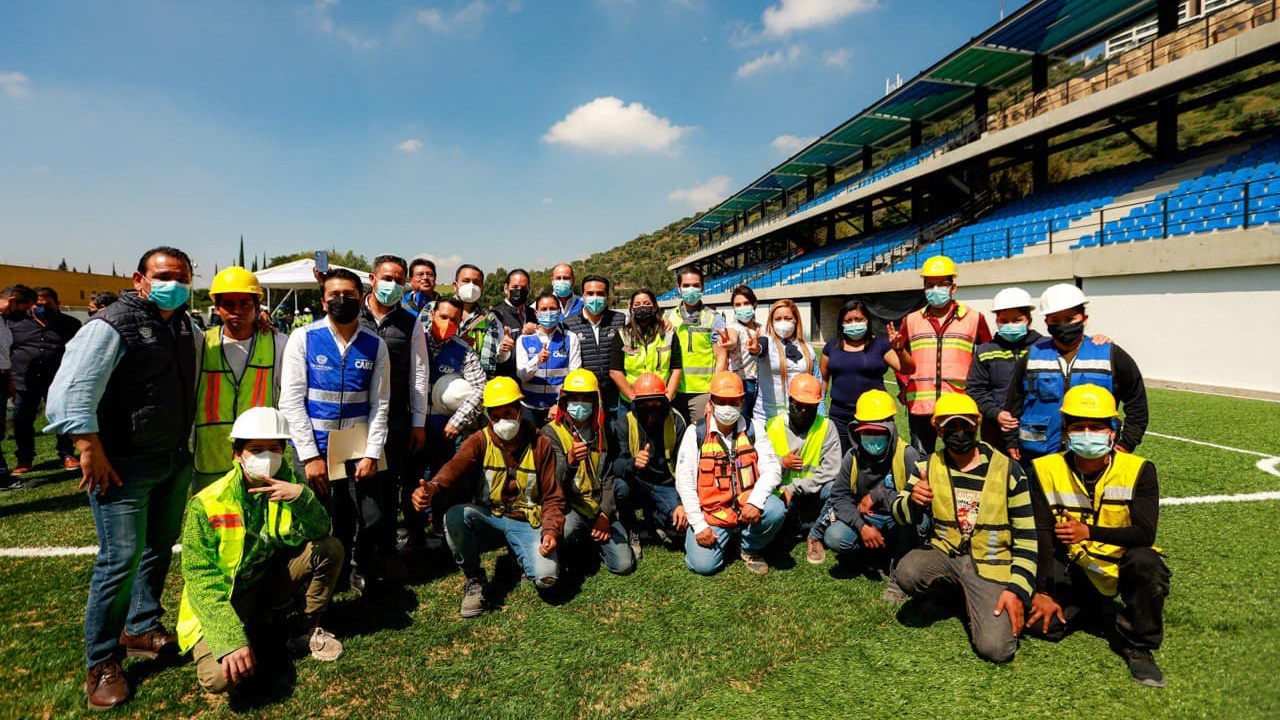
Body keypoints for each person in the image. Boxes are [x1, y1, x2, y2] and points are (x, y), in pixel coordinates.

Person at [45, 247, 197, 709]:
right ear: (140, 279)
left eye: (183, 276)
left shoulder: (185, 324)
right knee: (119, 560)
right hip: (124, 465)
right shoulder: (112, 323)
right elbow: (72, 390)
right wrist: (88, 448)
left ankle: (142, 624)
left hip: (171, 458)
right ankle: (102, 661)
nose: (174, 283)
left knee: (157, 547)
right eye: (164, 275)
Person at [178, 407, 344, 697]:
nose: (267, 457)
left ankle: (302, 629)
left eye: (274, 448)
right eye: (256, 449)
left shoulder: (290, 482)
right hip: (225, 596)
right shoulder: (206, 503)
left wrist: (302, 498)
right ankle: (251, 630)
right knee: (219, 679)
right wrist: (229, 639)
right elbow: (201, 579)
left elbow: (321, 531)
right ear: (237, 454)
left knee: (330, 548)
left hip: (267, 582)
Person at [1025, 384, 1169, 686]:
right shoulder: (1043, 469)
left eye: (1096, 426)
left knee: (1146, 563)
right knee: (1043, 628)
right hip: (1076, 565)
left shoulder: (1140, 469)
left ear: (1112, 431)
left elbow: (1144, 533)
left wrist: (1087, 531)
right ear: (1066, 432)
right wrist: (1044, 591)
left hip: (1122, 564)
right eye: (1078, 426)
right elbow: (1041, 533)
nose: (1087, 433)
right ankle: (1093, 608)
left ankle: (1139, 645)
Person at [889, 393, 1036, 664]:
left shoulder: (1009, 470)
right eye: (950, 426)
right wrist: (912, 499)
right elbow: (899, 514)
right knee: (907, 572)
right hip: (945, 553)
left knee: (997, 649)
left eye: (966, 425)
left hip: (992, 563)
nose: (959, 432)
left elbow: (1028, 537)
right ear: (938, 429)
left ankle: (968, 596)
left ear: (977, 425)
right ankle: (954, 593)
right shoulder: (926, 465)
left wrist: (1017, 590)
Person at [411, 377, 566, 617]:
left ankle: (521, 554)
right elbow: (454, 467)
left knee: (547, 579)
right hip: (489, 518)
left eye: (507, 413)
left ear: (519, 412)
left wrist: (551, 531)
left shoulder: (540, 444)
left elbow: (553, 496)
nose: (501, 421)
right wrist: (431, 487)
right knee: (455, 516)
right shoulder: (479, 440)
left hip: (527, 520)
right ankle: (475, 578)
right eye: (495, 416)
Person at [279, 268, 391, 596]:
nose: (342, 301)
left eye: (350, 295)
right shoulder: (304, 338)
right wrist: (310, 456)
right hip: (316, 447)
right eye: (334, 296)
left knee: (369, 516)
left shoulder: (375, 345)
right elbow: (291, 399)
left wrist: (372, 454)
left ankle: (359, 565)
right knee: (318, 518)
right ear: (323, 301)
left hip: (358, 447)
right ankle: (320, 575)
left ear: (361, 298)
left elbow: (380, 404)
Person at [1004, 284, 1148, 462]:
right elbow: (1013, 404)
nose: (1063, 325)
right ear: (1046, 322)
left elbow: (1137, 403)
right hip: (1037, 455)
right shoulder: (1032, 356)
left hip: (1093, 456)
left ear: (1084, 319)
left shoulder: (1110, 354)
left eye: (1070, 318)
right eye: (1055, 320)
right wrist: (1011, 440)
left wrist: (1128, 443)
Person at [807, 390, 925, 592]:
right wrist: (861, 526)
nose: (873, 438)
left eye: (879, 432)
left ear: (891, 429)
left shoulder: (907, 455)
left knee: (920, 525)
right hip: (868, 519)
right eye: (866, 432)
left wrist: (879, 494)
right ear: (857, 431)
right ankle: (873, 550)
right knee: (835, 537)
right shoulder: (852, 456)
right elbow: (839, 496)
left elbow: (915, 504)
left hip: (897, 517)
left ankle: (897, 559)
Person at [360, 255, 429, 583]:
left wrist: (418, 422)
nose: (392, 284)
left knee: (388, 491)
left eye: (399, 280)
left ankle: (385, 554)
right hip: (353, 420)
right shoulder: (350, 314)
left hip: (394, 420)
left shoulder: (410, 321)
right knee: (352, 492)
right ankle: (354, 557)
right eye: (387, 277)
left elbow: (419, 373)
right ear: (372, 279)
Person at [675, 371, 785, 575]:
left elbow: (772, 470)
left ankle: (749, 546)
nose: (728, 407)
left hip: (747, 509)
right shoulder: (696, 433)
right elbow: (685, 482)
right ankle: (726, 538)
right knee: (703, 565)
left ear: (742, 402)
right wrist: (699, 526)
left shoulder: (754, 429)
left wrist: (755, 502)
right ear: (711, 402)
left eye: (733, 401)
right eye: (721, 401)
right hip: (713, 514)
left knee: (775, 509)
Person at [191, 267, 288, 492]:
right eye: (229, 304)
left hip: (259, 453)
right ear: (217, 308)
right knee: (213, 520)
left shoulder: (276, 343)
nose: (237, 311)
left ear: (256, 306)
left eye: (245, 304)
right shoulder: (202, 344)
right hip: (211, 453)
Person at [541, 369, 635, 575]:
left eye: (586, 398)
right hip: (570, 505)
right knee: (564, 532)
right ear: (564, 401)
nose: (580, 404)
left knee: (624, 565)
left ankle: (603, 533)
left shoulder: (602, 431)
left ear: (596, 401)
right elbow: (551, 484)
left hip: (597, 503)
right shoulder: (551, 433)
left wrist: (604, 513)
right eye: (574, 398)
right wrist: (570, 461)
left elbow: (608, 476)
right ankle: (582, 542)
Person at [901, 255, 991, 454]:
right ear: (924, 288)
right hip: (920, 404)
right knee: (921, 457)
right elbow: (900, 355)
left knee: (961, 455)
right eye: (930, 285)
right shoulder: (910, 320)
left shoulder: (974, 318)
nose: (936, 290)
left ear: (953, 287)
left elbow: (988, 358)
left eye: (942, 284)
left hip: (959, 403)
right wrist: (903, 385)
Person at [419, 297, 487, 547]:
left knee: (447, 477)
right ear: (432, 315)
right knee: (415, 477)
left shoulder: (463, 351)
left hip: (446, 429)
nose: (447, 323)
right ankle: (417, 530)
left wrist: (458, 421)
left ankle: (443, 525)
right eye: (443, 317)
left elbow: (480, 388)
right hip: (415, 426)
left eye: (454, 320)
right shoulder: (416, 342)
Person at [820, 299, 913, 454]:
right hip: (840, 418)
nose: (853, 323)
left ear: (867, 321)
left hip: (876, 416)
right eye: (848, 320)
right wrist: (820, 408)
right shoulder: (831, 347)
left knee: (877, 459)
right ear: (841, 323)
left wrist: (900, 349)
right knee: (842, 460)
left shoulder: (881, 345)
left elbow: (907, 368)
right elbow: (823, 380)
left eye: (858, 319)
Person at [8, 286, 81, 479]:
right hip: (24, 380)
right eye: (38, 305)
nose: (42, 308)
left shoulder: (70, 324)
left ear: (57, 304)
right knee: (23, 421)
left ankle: (67, 455)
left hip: (59, 381)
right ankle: (24, 459)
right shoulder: (16, 324)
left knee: (62, 419)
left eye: (47, 304)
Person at [611, 372, 688, 542]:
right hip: (637, 482)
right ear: (635, 405)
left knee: (681, 526)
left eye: (655, 405)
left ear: (664, 402)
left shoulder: (676, 421)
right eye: (644, 406)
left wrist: (682, 503)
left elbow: (687, 467)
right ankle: (631, 528)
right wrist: (632, 463)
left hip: (666, 484)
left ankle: (653, 521)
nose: (650, 412)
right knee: (620, 487)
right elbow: (615, 465)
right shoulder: (625, 422)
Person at [965, 288, 1041, 452]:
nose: (1010, 325)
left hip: (1039, 427)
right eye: (1004, 321)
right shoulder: (985, 351)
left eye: (1017, 320)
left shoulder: (1044, 348)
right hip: (995, 429)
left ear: (1028, 319)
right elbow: (975, 389)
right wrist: (995, 413)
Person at [764, 374, 839, 528]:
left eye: (810, 407)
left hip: (812, 492)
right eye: (799, 405)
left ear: (818, 405)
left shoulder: (827, 427)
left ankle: (815, 530)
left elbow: (832, 471)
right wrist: (782, 462)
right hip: (779, 494)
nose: (803, 411)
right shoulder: (772, 426)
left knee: (834, 489)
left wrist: (795, 487)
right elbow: (759, 465)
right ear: (790, 401)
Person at [664, 265, 727, 426]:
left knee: (700, 438)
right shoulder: (668, 316)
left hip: (701, 393)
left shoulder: (713, 318)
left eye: (695, 285)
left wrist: (713, 394)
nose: (690, 289)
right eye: (686, 286)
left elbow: (721, 358)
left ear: (702, 288)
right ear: (678, 288)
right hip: (673, 390)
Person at [563, 274, 626, 427]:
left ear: (607, 296)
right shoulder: (568, 323)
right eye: (590, 294)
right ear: (583, 296)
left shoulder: (620, 320)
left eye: (600, 294)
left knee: (616, 439)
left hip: (615, 394)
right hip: (585, 396)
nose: (595, 297)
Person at [515, 292, 582, 427]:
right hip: (529, 407)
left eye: (552, 309)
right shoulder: (524, 339)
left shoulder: (570, 338)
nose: (548, 312)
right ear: (536, 312)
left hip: (557, 407)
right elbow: (522, 375)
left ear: (559, 311)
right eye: (544, 309)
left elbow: (574, 376)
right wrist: (537, 360)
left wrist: (560, 404)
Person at [752, 299, 818, 427]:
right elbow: (760, 348)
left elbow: (817, 382)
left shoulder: (807, 349)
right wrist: (755, 349)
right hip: (767, 417)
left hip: (798, 417)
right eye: (778, 319)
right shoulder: (767, 341)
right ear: (771, 322)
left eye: (787, 318)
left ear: (796, 320)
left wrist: (820, 414)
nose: (783, 322)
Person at [610, 289, 681, 406]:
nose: (642, 307)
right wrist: (632, 398)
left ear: (655, 307)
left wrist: (667, 397)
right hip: (630, 401)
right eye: (637, 305)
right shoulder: (623, 335)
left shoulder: (669, 334)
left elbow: (676, 369)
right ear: (631, 309)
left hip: (661, 399)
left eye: (647, 304)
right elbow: (615, 371)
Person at [0, 285, 35, 487]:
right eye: (26, 307)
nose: (27, 312)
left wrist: (10, 380)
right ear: (13, 301)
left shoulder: (5, 322)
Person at [487, 268, 535, 380]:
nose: (519, 291)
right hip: (507, 382)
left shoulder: (534, 314)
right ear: (506, 288)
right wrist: (502, 349)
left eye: (524, 288)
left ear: (529, 290)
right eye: (515, 287)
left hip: (531, 382)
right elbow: (491, 357)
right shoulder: (495, 315)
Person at [724, 285, 762, 415]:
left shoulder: (761, 329)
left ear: (754, 305)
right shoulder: (733, 327)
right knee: (742, 420)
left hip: (762, 383)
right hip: (740, 382)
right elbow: (732, 339)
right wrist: (729, 342)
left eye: (746, 303)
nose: (742, 308)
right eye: (737, 305)